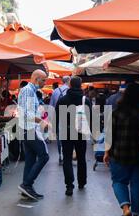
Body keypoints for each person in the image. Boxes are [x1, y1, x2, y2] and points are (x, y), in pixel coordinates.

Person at [104, 83, 139, 216]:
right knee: (138, 185)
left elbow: (109, 135)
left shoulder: (117, 113)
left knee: (118, 182)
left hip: (119, 154)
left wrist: (106, 152)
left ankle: (126, 209)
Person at [56, 76, 92, 196]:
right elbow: (91, 118)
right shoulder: (85, 100)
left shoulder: (62, 100)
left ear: (70, 85)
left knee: (67, 158)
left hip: (66, 132)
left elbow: (57, 117)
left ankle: (69, 186)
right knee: (81, 158)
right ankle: (82, 182)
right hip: (81, 132)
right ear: (81, 85)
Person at [17, 69, 50, 201]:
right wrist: (42, 122)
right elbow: (27, 114)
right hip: (28, 129)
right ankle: (27, 184)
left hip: (28, 129)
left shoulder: (31, 91)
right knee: (44, 156)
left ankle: (27, 188)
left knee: (30, 159)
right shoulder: (28, 91)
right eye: (43, 80)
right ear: (36, 79)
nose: (44, 83)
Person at [50, 76, 71, 165]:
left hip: (58, 117)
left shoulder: (55, 91)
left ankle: (61, 156)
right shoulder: (71, 91)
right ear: (69, 81)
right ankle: (68, 155)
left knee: (60, 138)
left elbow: (51, 106)